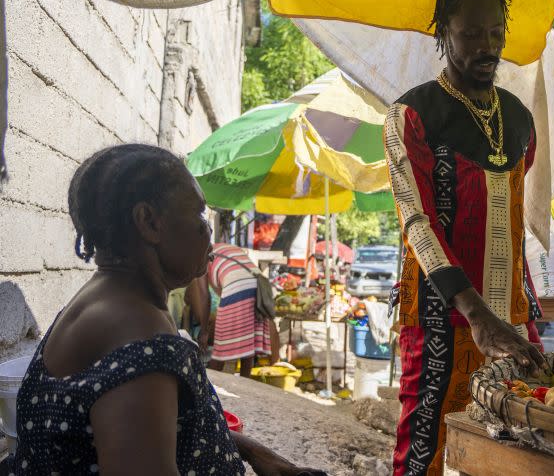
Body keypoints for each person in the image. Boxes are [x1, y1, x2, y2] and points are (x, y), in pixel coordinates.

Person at [0, 144, 321, 475]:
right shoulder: (138, 331)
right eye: (198, 214)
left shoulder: (107, 298)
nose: (207, 229)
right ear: (149, 222)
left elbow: (152, 425)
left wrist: (254, 452)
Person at [384, 0, 546, 475]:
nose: (488, 46)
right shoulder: (411, 114)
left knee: (521, 445)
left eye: (496, 33)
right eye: (472, 34)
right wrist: (476, 314)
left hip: (512, 316)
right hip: (443, 317)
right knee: (424, 451)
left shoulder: (520, 119)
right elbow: (417, 222)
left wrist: (510, 314)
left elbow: (514, 214)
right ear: (444, 35)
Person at [201, 242, 276, 377]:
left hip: (238, 284)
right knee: (247, 347)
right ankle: (245, 385)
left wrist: (204, 332)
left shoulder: (201, 257)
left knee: (220, 349)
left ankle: (207, 387)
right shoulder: (223, 247)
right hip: (257, 283)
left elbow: (204, 297)